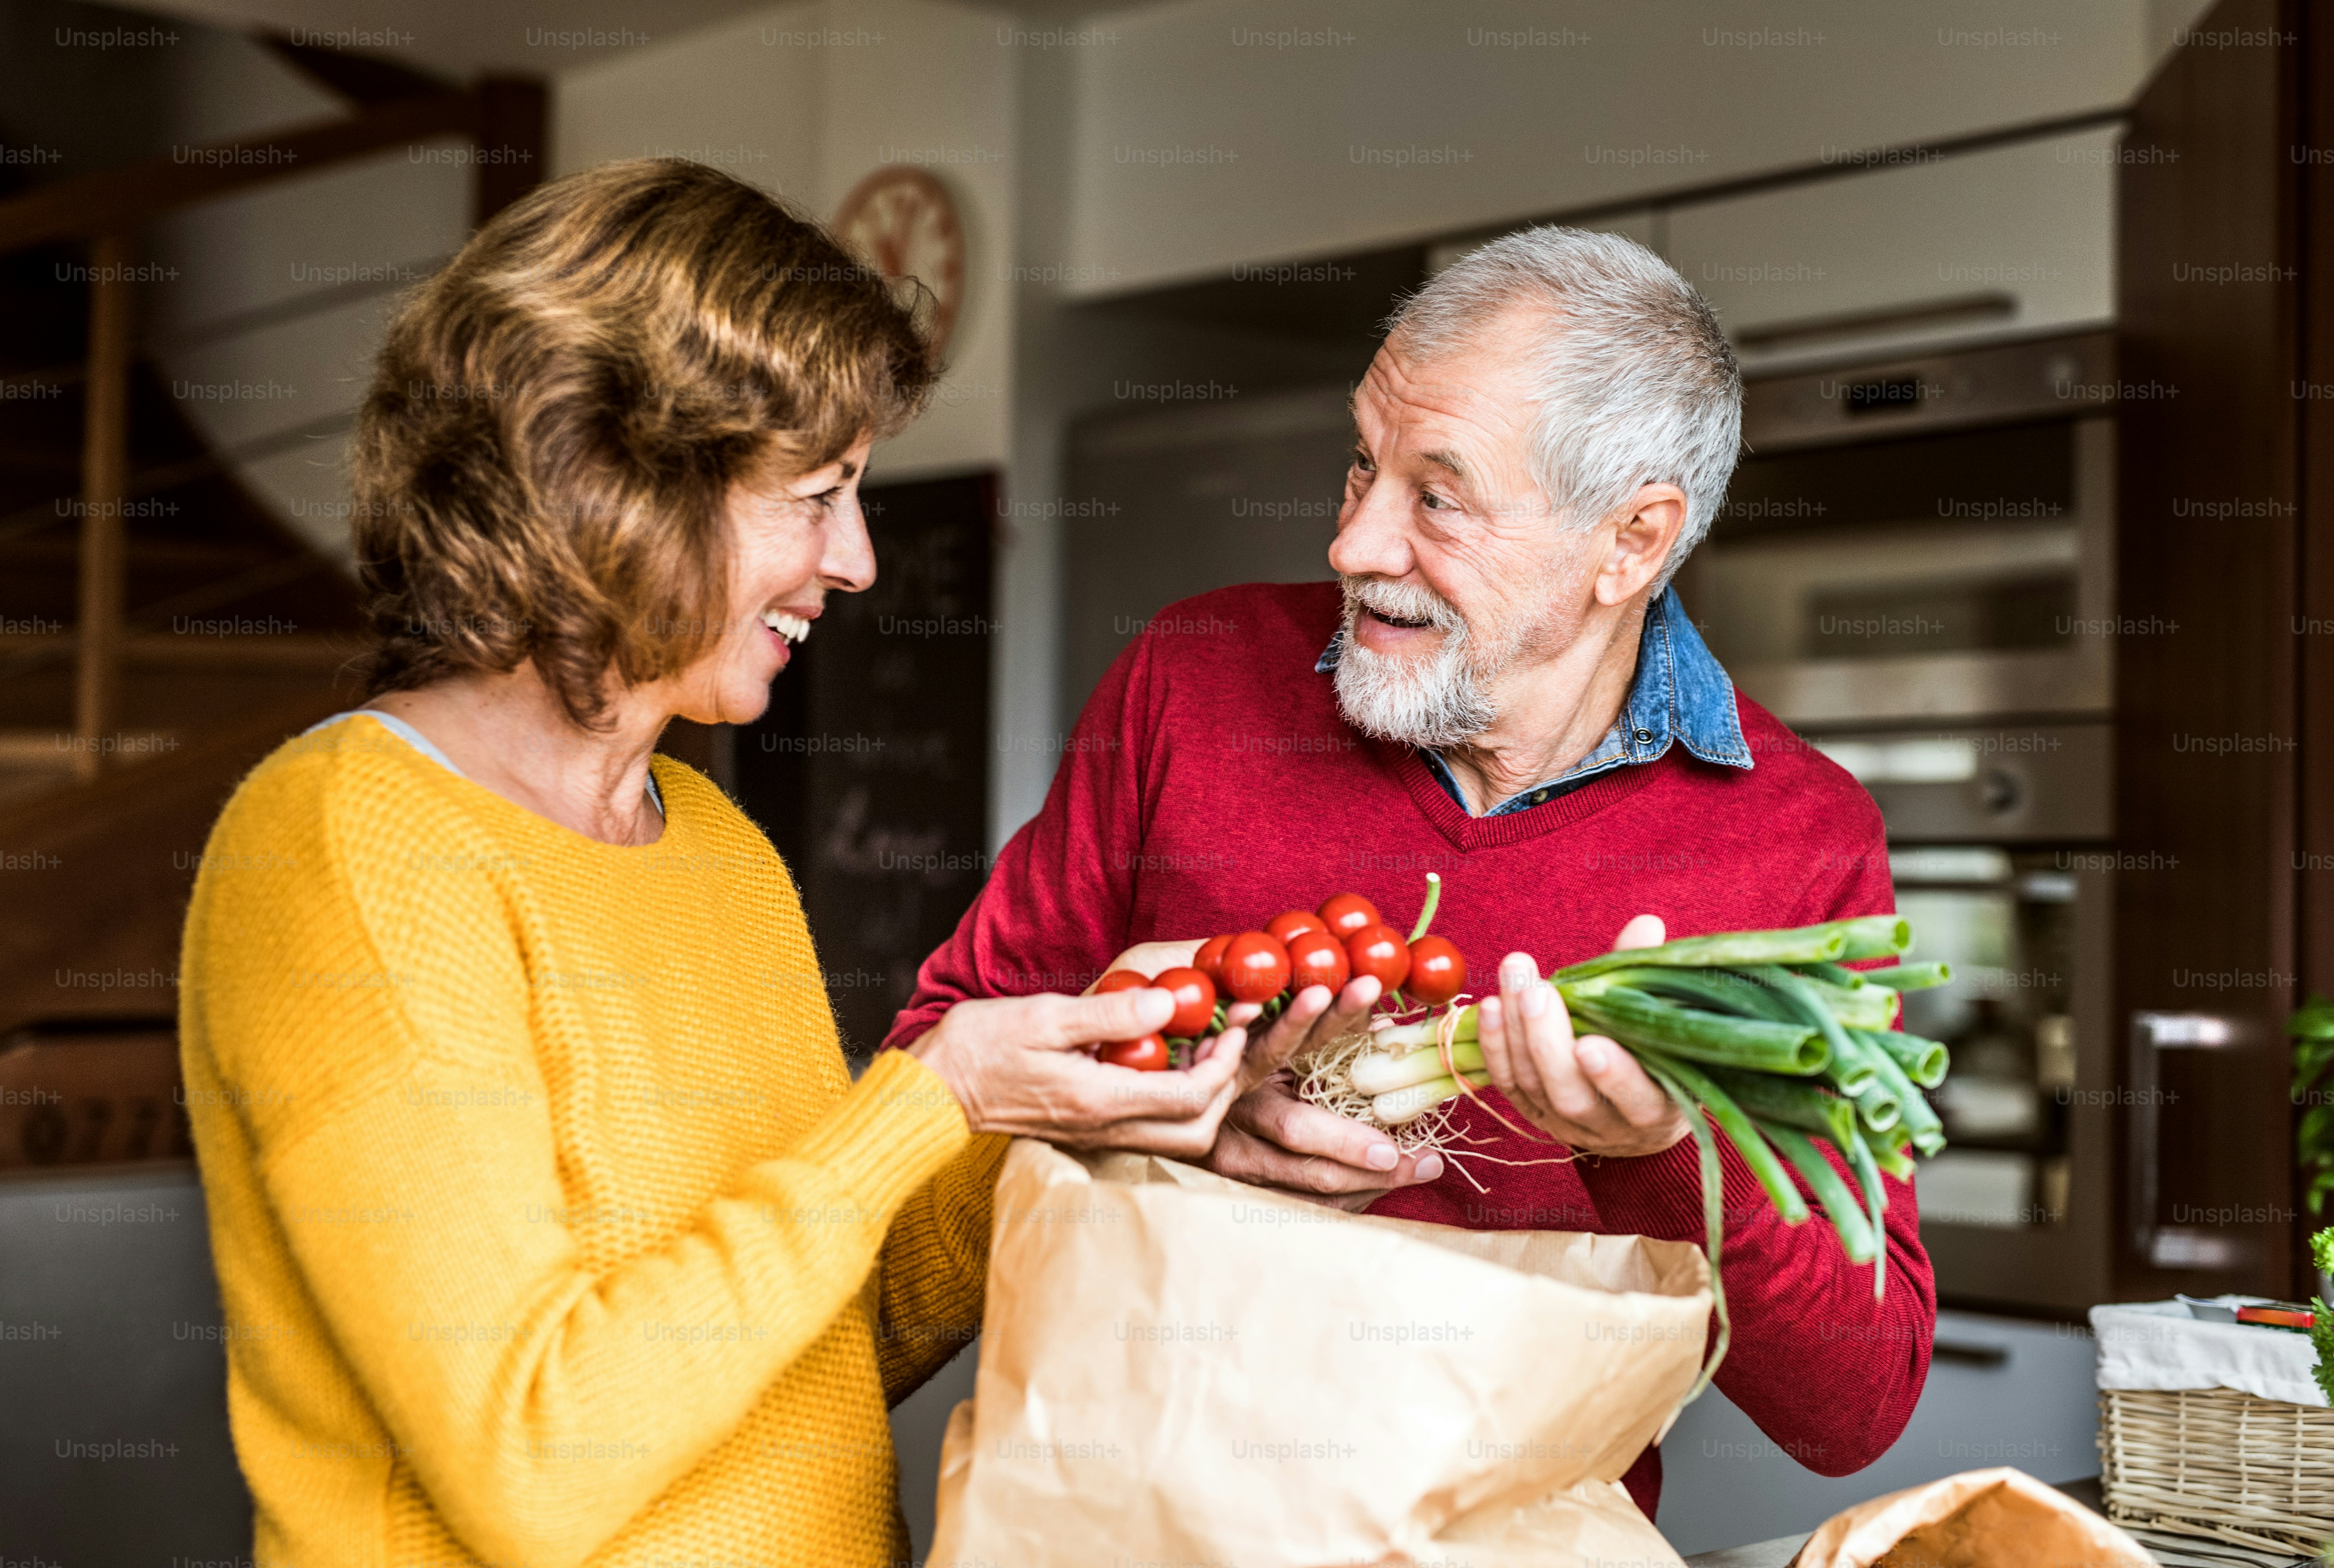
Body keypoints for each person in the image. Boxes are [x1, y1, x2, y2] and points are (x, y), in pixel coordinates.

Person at [176, 160, 1256, 1568]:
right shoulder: (347, 843)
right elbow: (540, 1462)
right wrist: (926, 1098)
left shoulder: (718, 846)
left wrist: (1061, 1117)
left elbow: (809, 1350)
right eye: (817, 495)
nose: (859, 559)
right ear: (614, 486)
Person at [890, 226, 1936, 1519]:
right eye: (1362, 466)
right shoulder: (1194, 675)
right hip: (1123, 1516)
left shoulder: (1797, 840)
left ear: (1631, 543)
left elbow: (1857, 1402)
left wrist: (1663, 1151)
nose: (1355, 543)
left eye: (1437, 498)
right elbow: (938, 1078)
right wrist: (1173, 1110)